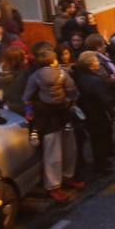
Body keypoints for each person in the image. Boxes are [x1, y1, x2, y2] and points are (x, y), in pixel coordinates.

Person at [23, 49, 81, 204]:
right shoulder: (62, 73)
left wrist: (30, 113)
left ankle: (54, 185)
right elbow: (73, 91)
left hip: (46, 119)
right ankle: (66, 177)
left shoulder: (34, 77)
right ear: (53, 62)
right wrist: (69, 103)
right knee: (69, 148)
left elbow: (27, 98)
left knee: (52, 154)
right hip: (63, 115)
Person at [73, 51, 115, 176]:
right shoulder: (94, 80)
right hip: (98, 114)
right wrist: (113, 112)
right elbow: (104, 98)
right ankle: (102, 164)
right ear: (91, 65)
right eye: (96, 61)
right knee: (102, 139)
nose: (99, 63)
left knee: (96, 140)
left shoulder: (79, 77)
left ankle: (101, 163)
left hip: (88, 114)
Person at [0, 46, 30, 116]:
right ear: (18, 60)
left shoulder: (2, 71)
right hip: (22, 107)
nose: (26, 57)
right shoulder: (22, 75)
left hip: (8, 105)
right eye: (24, 56)